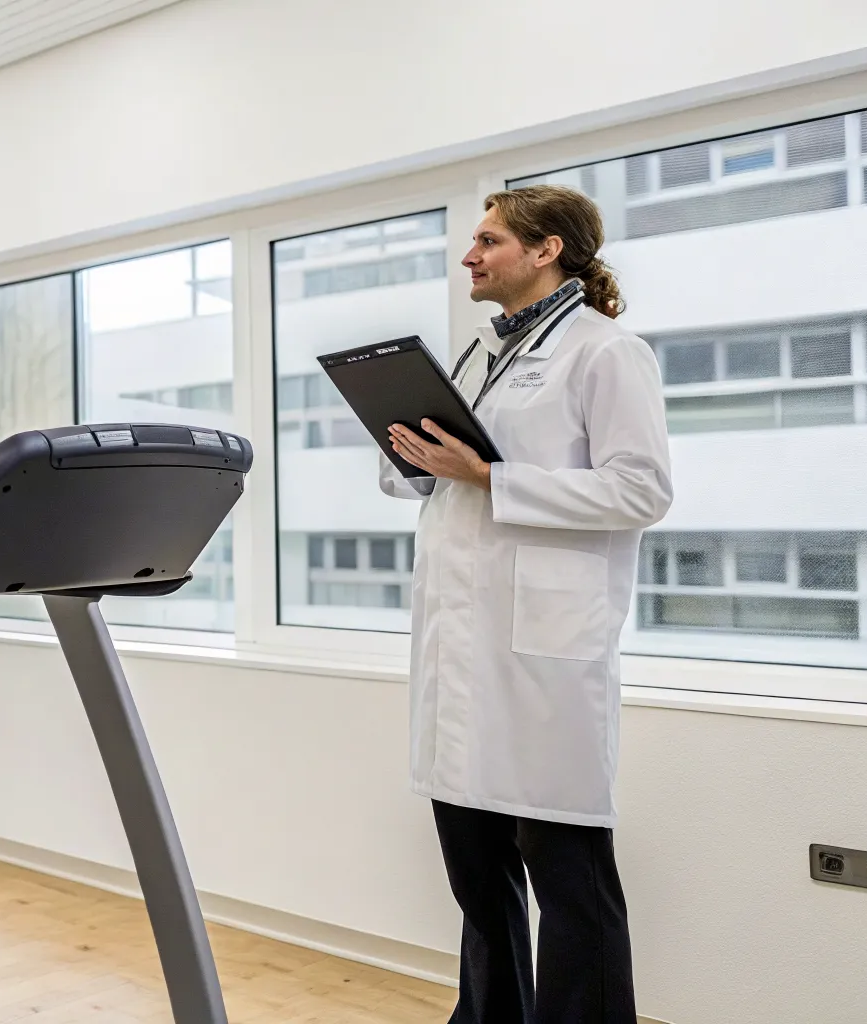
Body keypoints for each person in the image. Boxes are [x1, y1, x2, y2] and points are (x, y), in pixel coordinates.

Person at [379, 184, 672, 1024]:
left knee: (571, 884)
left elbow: (641, 490)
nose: (469, 256)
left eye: (489, 240)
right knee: (477, 879)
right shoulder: (475, 356)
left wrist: (489, 476)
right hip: (459, 644)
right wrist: (414, 458)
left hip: (546, 653)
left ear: (547, 250)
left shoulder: (606, 353)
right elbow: (429, 480)